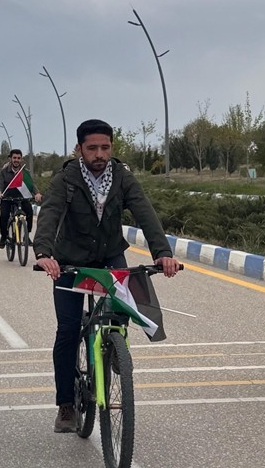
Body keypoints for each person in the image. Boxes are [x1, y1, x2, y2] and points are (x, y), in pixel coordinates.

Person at [32, 120, 179, 433]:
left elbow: (145, 212)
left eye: (105, 147)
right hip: (69, 261)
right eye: (92, 148)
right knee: (68, 330)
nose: (99, 154)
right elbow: (50, 214)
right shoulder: (66, 179)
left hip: (110, 254)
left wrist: (162, 253)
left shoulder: (122, 177)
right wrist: (44, 253)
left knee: (122, 306)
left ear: (112, 147)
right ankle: (66, 405)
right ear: (79, 149)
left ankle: (115, 350)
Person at [0, 149, 40, 248]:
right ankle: (4, 236)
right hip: (7, 198)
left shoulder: (25, 172)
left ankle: (26, 235)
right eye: (14, 158)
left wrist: (37, 193)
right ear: (11, 159)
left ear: (21, 159)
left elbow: (31, 185)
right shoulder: (4, 171)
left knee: (29, 212)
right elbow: (0, 184)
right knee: (4, 216)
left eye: (18, 158)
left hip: (21, 198)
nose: (16, 160)